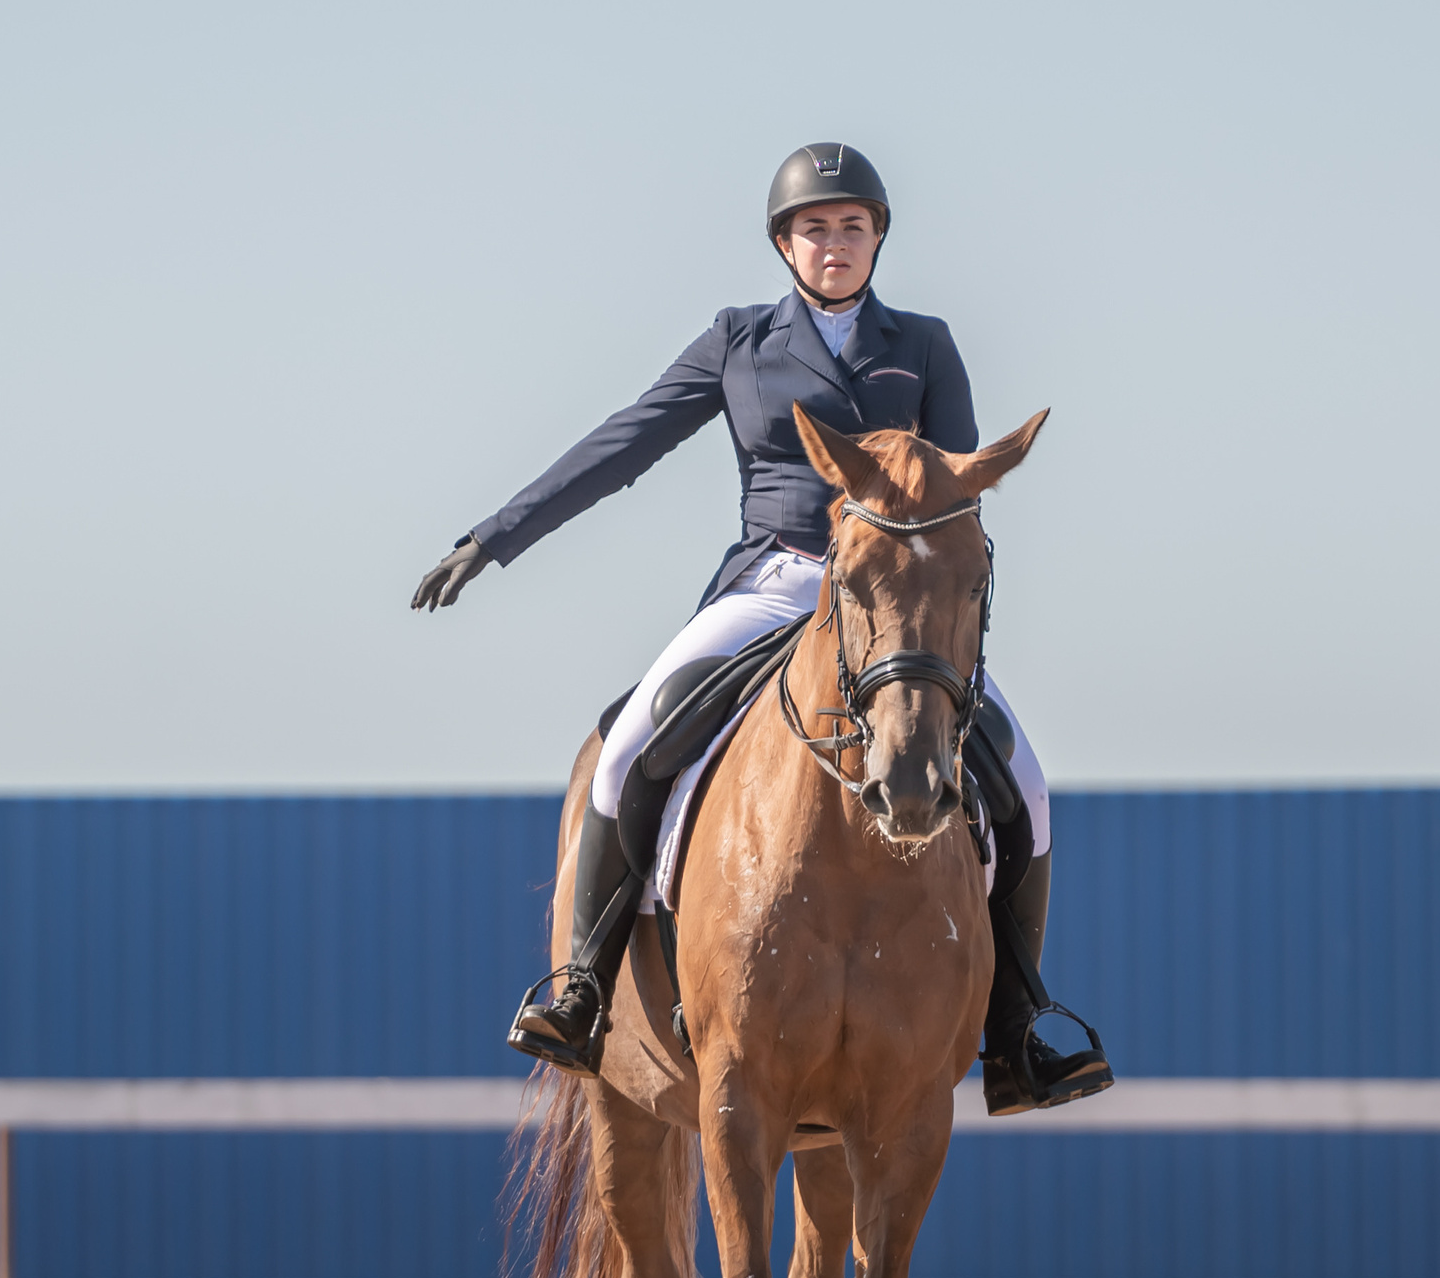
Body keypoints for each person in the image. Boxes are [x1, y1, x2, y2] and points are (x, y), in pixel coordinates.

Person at [412, 143, 1111, 1115]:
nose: (834, 243)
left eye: (852, 227)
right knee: (627, 745)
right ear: (785, 243)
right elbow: (627, 440)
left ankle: (1015, 1026)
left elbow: (953, 494)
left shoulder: (925, 343)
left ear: (877, 239)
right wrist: (493, 536)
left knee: (1022, 777)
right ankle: (581, 986)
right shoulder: (739, 341)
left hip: (890, 605)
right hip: (775, 582)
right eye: (815, 228)